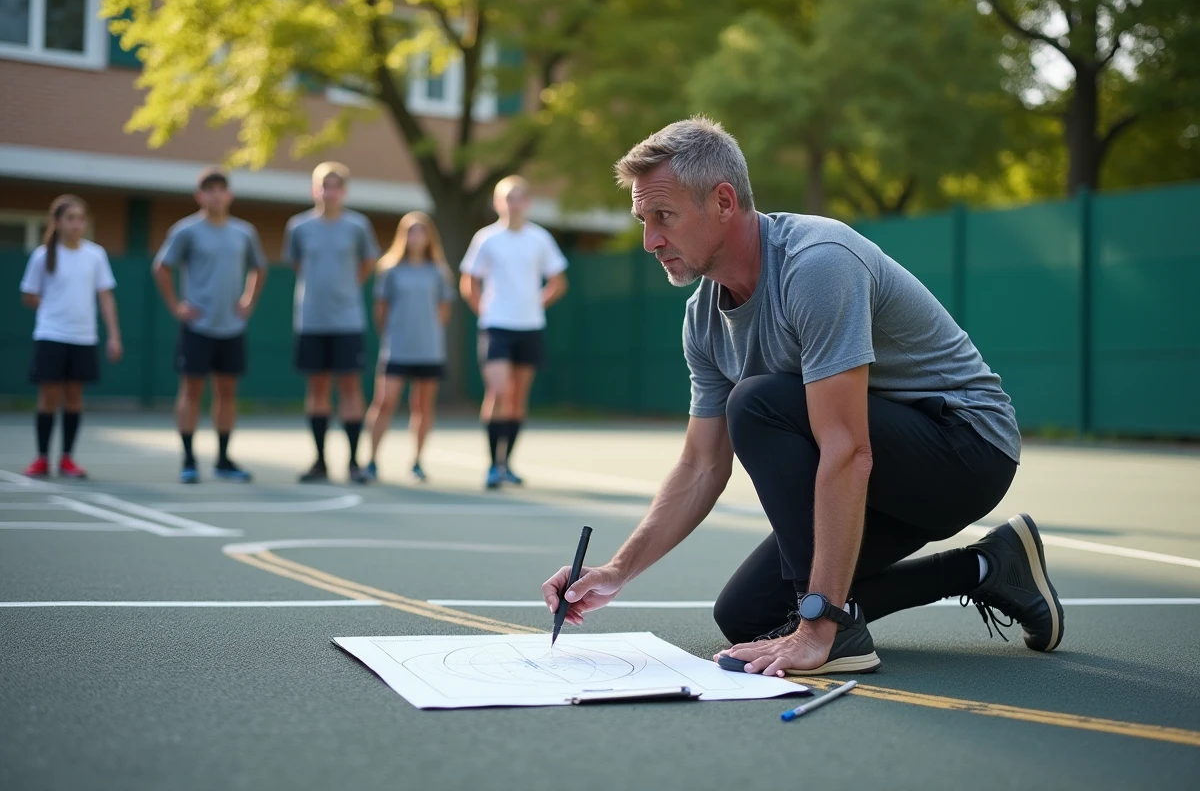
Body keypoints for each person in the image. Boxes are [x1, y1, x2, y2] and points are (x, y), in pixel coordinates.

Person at [542, 117, 1064, 676]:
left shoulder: (817, 264)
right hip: (882, 469)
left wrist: (819, 627)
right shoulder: (703, 319)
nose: (650, 241)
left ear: (723, 201)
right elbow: (700, 466)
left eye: (663, 217)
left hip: (964, 447)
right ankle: (990, 568)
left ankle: (834, 630)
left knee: (757, 402)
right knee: (749, 615)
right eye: (643, 221)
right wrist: (617, 570)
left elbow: (847, 450)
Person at [153, 167, 267, 484]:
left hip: (231, 328)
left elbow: (260, 268)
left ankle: (223, 459)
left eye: (221, 189)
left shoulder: (244, 232)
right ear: (199, 195)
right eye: (209, 189)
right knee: (191, 390)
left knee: (227, 392)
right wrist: (177, 305)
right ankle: (189, 459)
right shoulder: (186, 231)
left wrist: (248, 300)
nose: (216, 195)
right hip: (197, 327)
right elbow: (161, 268)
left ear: (229, 195)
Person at [459, 176, 569, 489]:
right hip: (496, 329)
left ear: (527, 203)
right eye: (508, 197)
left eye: (519, 197)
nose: (513, 203)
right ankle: (493, 464)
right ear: (497, 203)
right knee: (499, 391)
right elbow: (469, 282)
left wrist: (535, 305)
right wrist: (485, 311)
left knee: (518, 397)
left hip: (530, 329)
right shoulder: (486, 239)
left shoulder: (540, 239)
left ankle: (507, 464)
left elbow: (558, 282)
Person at [284, 162, 379, 484]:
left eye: (335, 186)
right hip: (311, 321)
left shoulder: (358, 227)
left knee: (350, 387)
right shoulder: (298, 227)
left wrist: (347, 291)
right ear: (315, 189)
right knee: (317, 387)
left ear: (344, 191)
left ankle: (354, 462)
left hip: (348, 321)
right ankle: (320, 461)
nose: (329, 192)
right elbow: (297, 264)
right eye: (324, 185)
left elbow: (367, 264)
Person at [20, 195, 123, 478]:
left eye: (81, 218)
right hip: (51, 334)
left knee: (75, 397)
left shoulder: (96, 255)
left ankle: (67, 458)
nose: (77, 224)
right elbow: (29, 295)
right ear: (57, 222)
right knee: (49, 397)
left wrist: (114, 335)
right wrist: (53, 308)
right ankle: (42, 458)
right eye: (71, 218)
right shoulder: (42, 256)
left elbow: (105, 297)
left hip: (84, 337)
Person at [364, 212, 455, 483]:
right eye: (411, 232)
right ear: (403, 236)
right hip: (397, 349)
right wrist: (395, 335)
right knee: (384, 402)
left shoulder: (439, 272)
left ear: (429, 237)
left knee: (423, 406)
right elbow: (381, 310)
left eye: (421, 232)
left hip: (429, 351)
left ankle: (416, 461)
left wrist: (426, 334)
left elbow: (443, 312)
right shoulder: (390, 270)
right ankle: (371, 460)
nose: (416, 237)